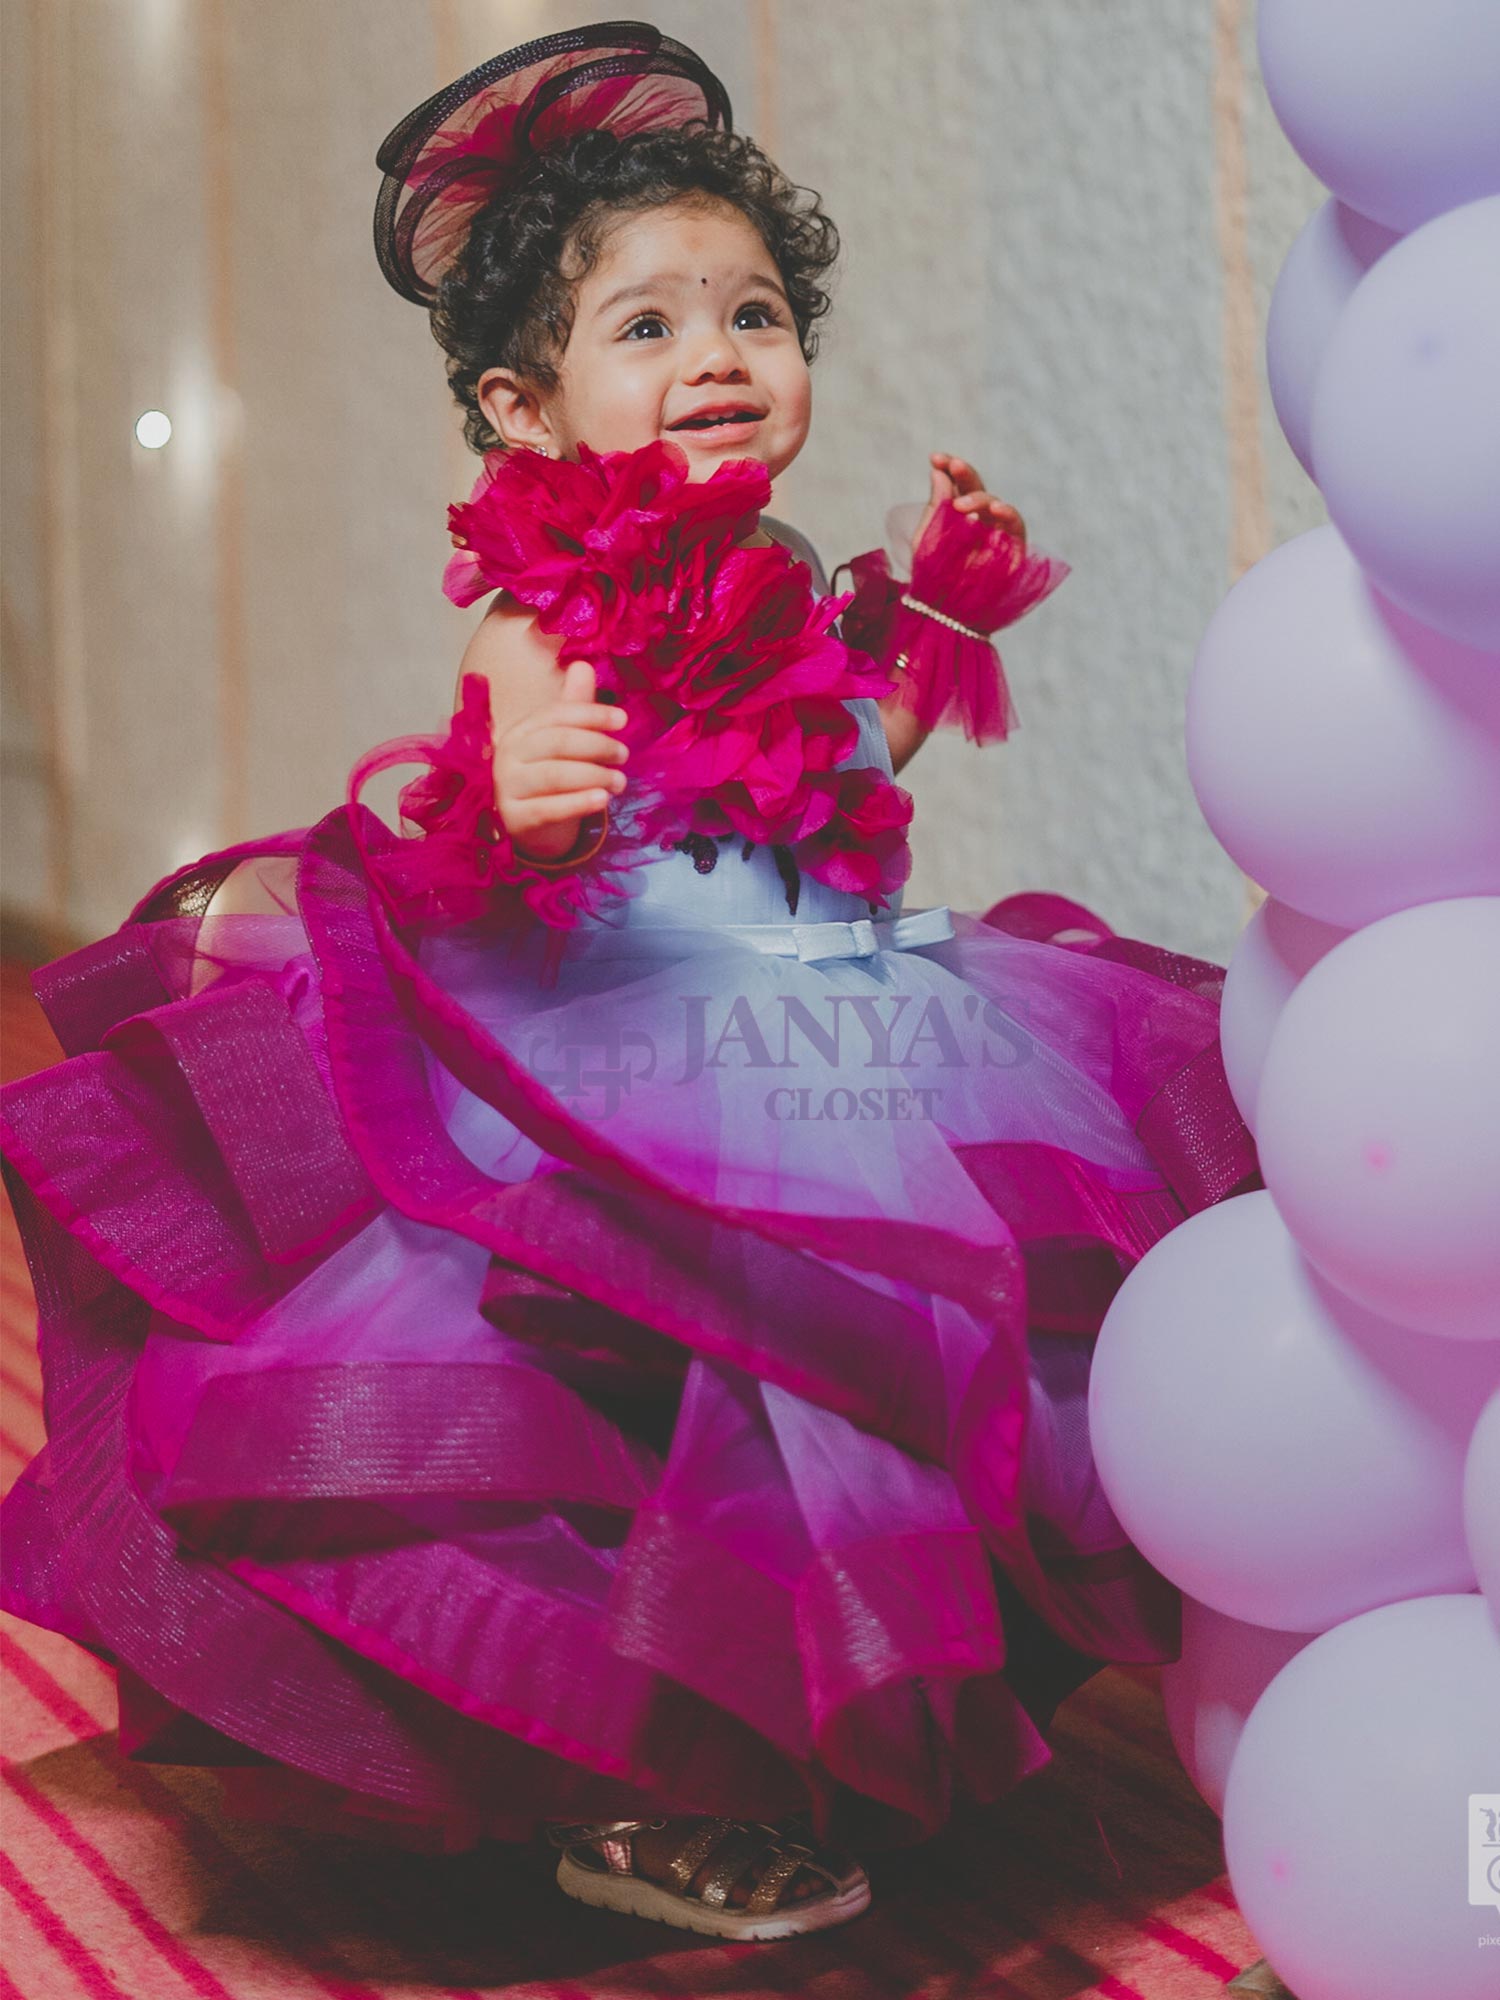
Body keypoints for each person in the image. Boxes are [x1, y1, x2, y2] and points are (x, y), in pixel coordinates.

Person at [0, 24, 1258, 1944]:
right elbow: (484, 795)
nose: (722, 357)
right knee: (642, 1400)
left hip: (834, 1010)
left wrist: (923, 620)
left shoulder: (786, 579)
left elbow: (847, 767)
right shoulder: (541, 605)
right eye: (650, 328)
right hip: (604, 1032)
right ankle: (638, 1789)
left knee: (867, 1390)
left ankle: (830, 1728)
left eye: (755, 312)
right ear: (522, 407)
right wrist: (514, 791)